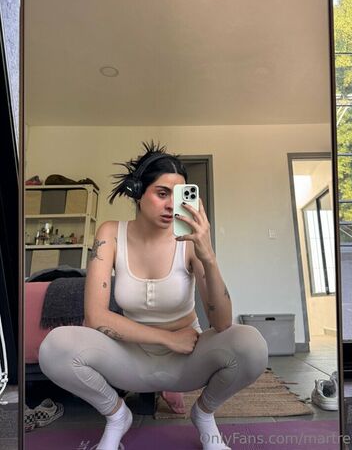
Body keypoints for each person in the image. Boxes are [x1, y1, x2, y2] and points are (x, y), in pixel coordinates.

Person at [39, 140, 269, 450]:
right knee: (54, 347)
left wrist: (208, 256)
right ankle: (117, 416)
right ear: (138, 192)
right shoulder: (110, 233)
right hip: (130, 360)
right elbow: (95, 317)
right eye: (162, 194)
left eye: (178, 195)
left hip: (187, 360)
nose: (172, 205)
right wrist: (168, 338)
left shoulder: (188, 242)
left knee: (251, 344)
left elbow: (223, 322)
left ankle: (203, 414)